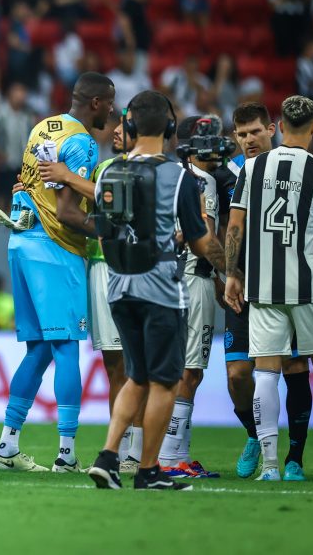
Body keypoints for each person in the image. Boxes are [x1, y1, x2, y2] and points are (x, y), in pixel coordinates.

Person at [87, 90, 226, 491]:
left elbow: (106, 231)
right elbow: (202, 240)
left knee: (138, 375)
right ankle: (148, 470)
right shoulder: (180, 176)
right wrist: (231, 273)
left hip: (119, 289)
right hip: (162, 291)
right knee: (165, 380)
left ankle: (108, 456)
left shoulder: (107, 173)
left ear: (128, 127)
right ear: (169, 129)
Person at [0, 72, 115, 473]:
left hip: (19, 243)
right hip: (54, 248)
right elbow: (67, 211)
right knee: (65, 348)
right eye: (110, 103)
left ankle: (6, 446)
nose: (113, 111)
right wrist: (111, 230)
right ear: (95, 103)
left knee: (39, 349)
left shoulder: (44, 126)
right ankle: (67, 453)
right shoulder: (82, 143)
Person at [224, 95, 313, 482]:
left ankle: (269, 466)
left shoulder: (252, 168)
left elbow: (235, 227)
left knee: (265, 372)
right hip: (308, 285)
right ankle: (294, 461)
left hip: (262, 287)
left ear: (279, 126)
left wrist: (233, 273)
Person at [40, 109, 141, 472]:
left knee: (138, 364)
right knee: (115, 362)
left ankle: (142, 449)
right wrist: (37, 190)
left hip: (135, 266)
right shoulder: (101, 168)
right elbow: (78, 205)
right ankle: (121, 449)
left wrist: (67, 175)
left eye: (124, 124)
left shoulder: (148, 168)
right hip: (100, 264)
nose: (115, 129)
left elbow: (117, 199)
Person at [158, 116, 226, 479]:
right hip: (193, 281)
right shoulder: (204, 181)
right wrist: (228, 274)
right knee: (191, 370)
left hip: (163, 282)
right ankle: (171, 458)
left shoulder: (165, 175)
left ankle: (174, 454)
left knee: (174, 369)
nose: (216, 147)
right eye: (209, 140)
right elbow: (207, 237)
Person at [216, 102, 276, 478]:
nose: (249, 139)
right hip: (240, 285)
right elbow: (225, 226)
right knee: (238, 374)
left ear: (271, 129)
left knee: (294, 369)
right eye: (242, 134)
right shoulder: (227, 175)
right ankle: (255, 436)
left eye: (255, 131)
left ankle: (292, 456)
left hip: (285, 285)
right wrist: (228, 272)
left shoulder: (298, 168)